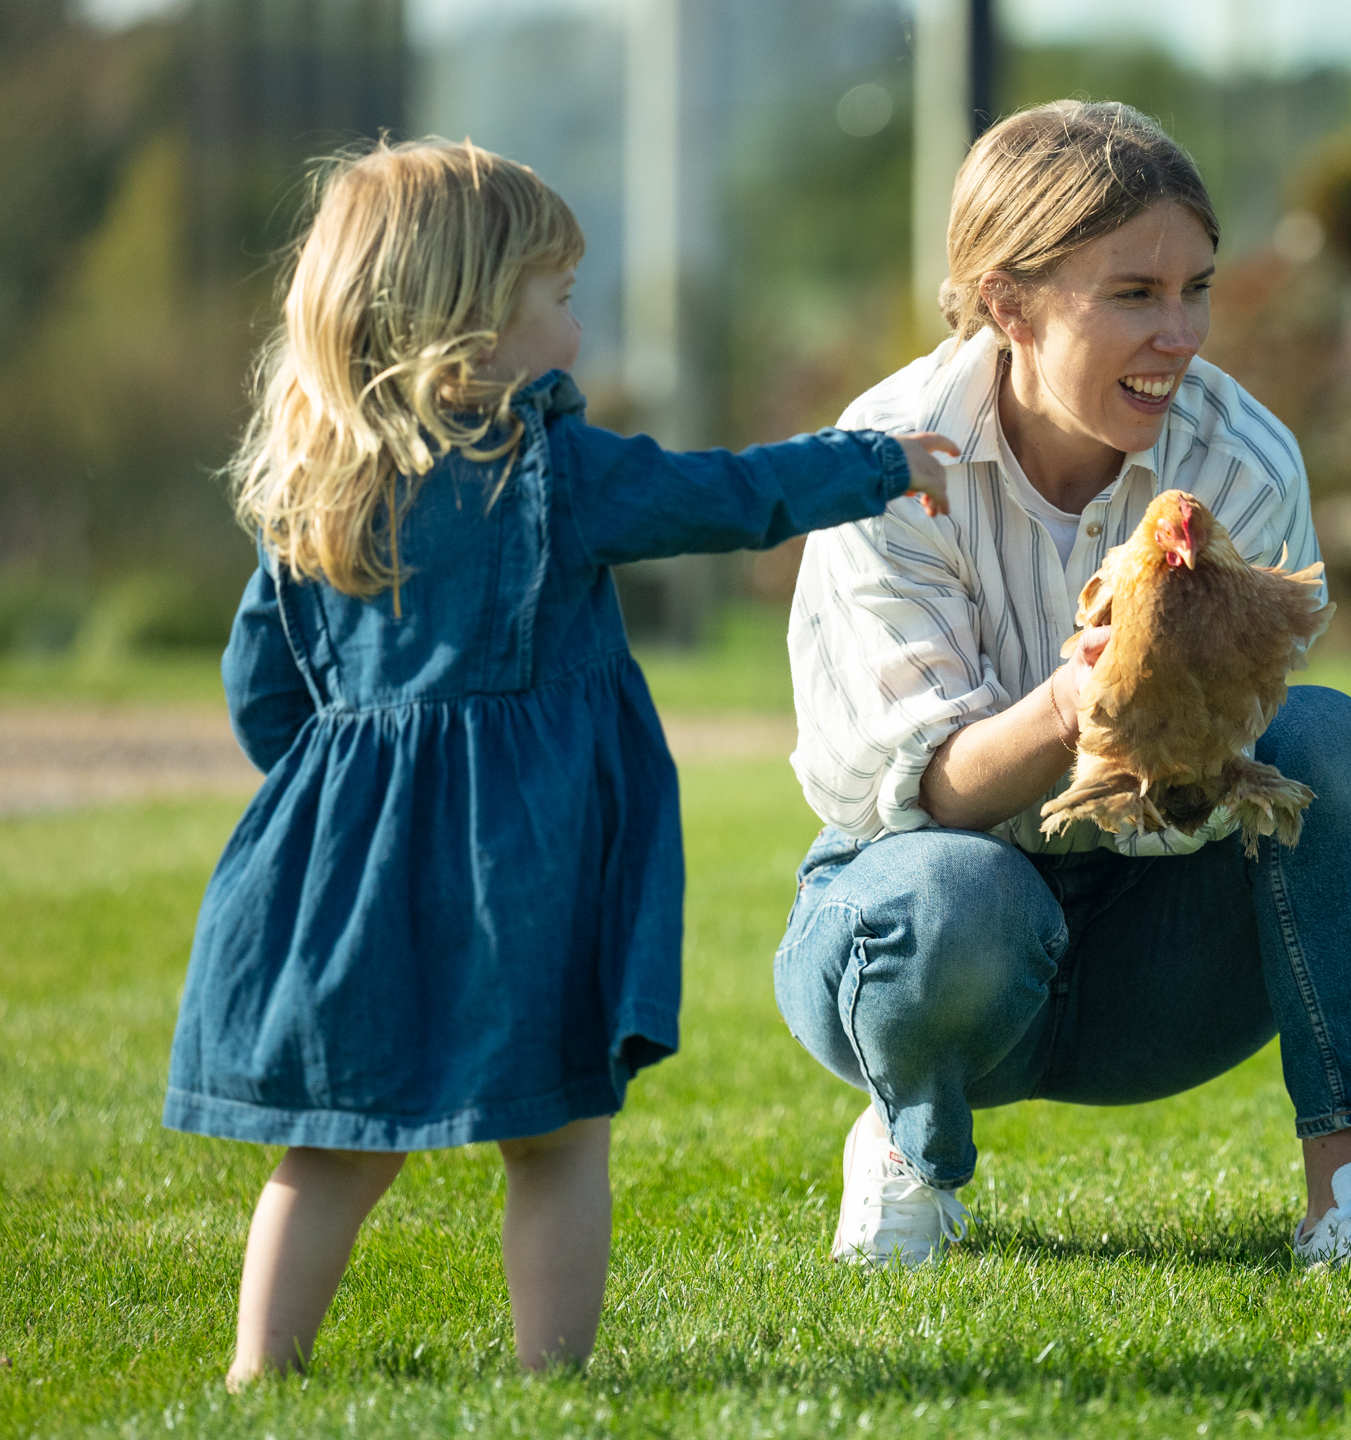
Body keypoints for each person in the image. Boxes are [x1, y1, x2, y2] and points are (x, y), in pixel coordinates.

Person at [163, 139, 951, 1387]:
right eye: (562, 300)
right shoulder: (548, 469)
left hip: (347, 871)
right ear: (476, 325)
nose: (578, 330)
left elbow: (261, 694)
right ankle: (551, 1383)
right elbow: (721, 495)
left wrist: (348, 807)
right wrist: (876, 462)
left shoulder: (315, 492)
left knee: (331, 1147)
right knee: (558, 1133)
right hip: (524, 860)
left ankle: (262, 1375)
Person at [779, 100, 1351, 1273]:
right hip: (930, 937)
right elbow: (918, 793)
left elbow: (1244, 741)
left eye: (1196, 287)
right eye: (1133, 294)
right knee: (954, 895)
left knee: (1330, 743)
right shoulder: (885, 458)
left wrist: (1176, 717)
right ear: (1007, 302)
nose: (1181, 333)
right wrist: (1071, 702)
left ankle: (1349, 1195)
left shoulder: (1242, 461)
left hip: (1159, 955)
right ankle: (907, 1141)